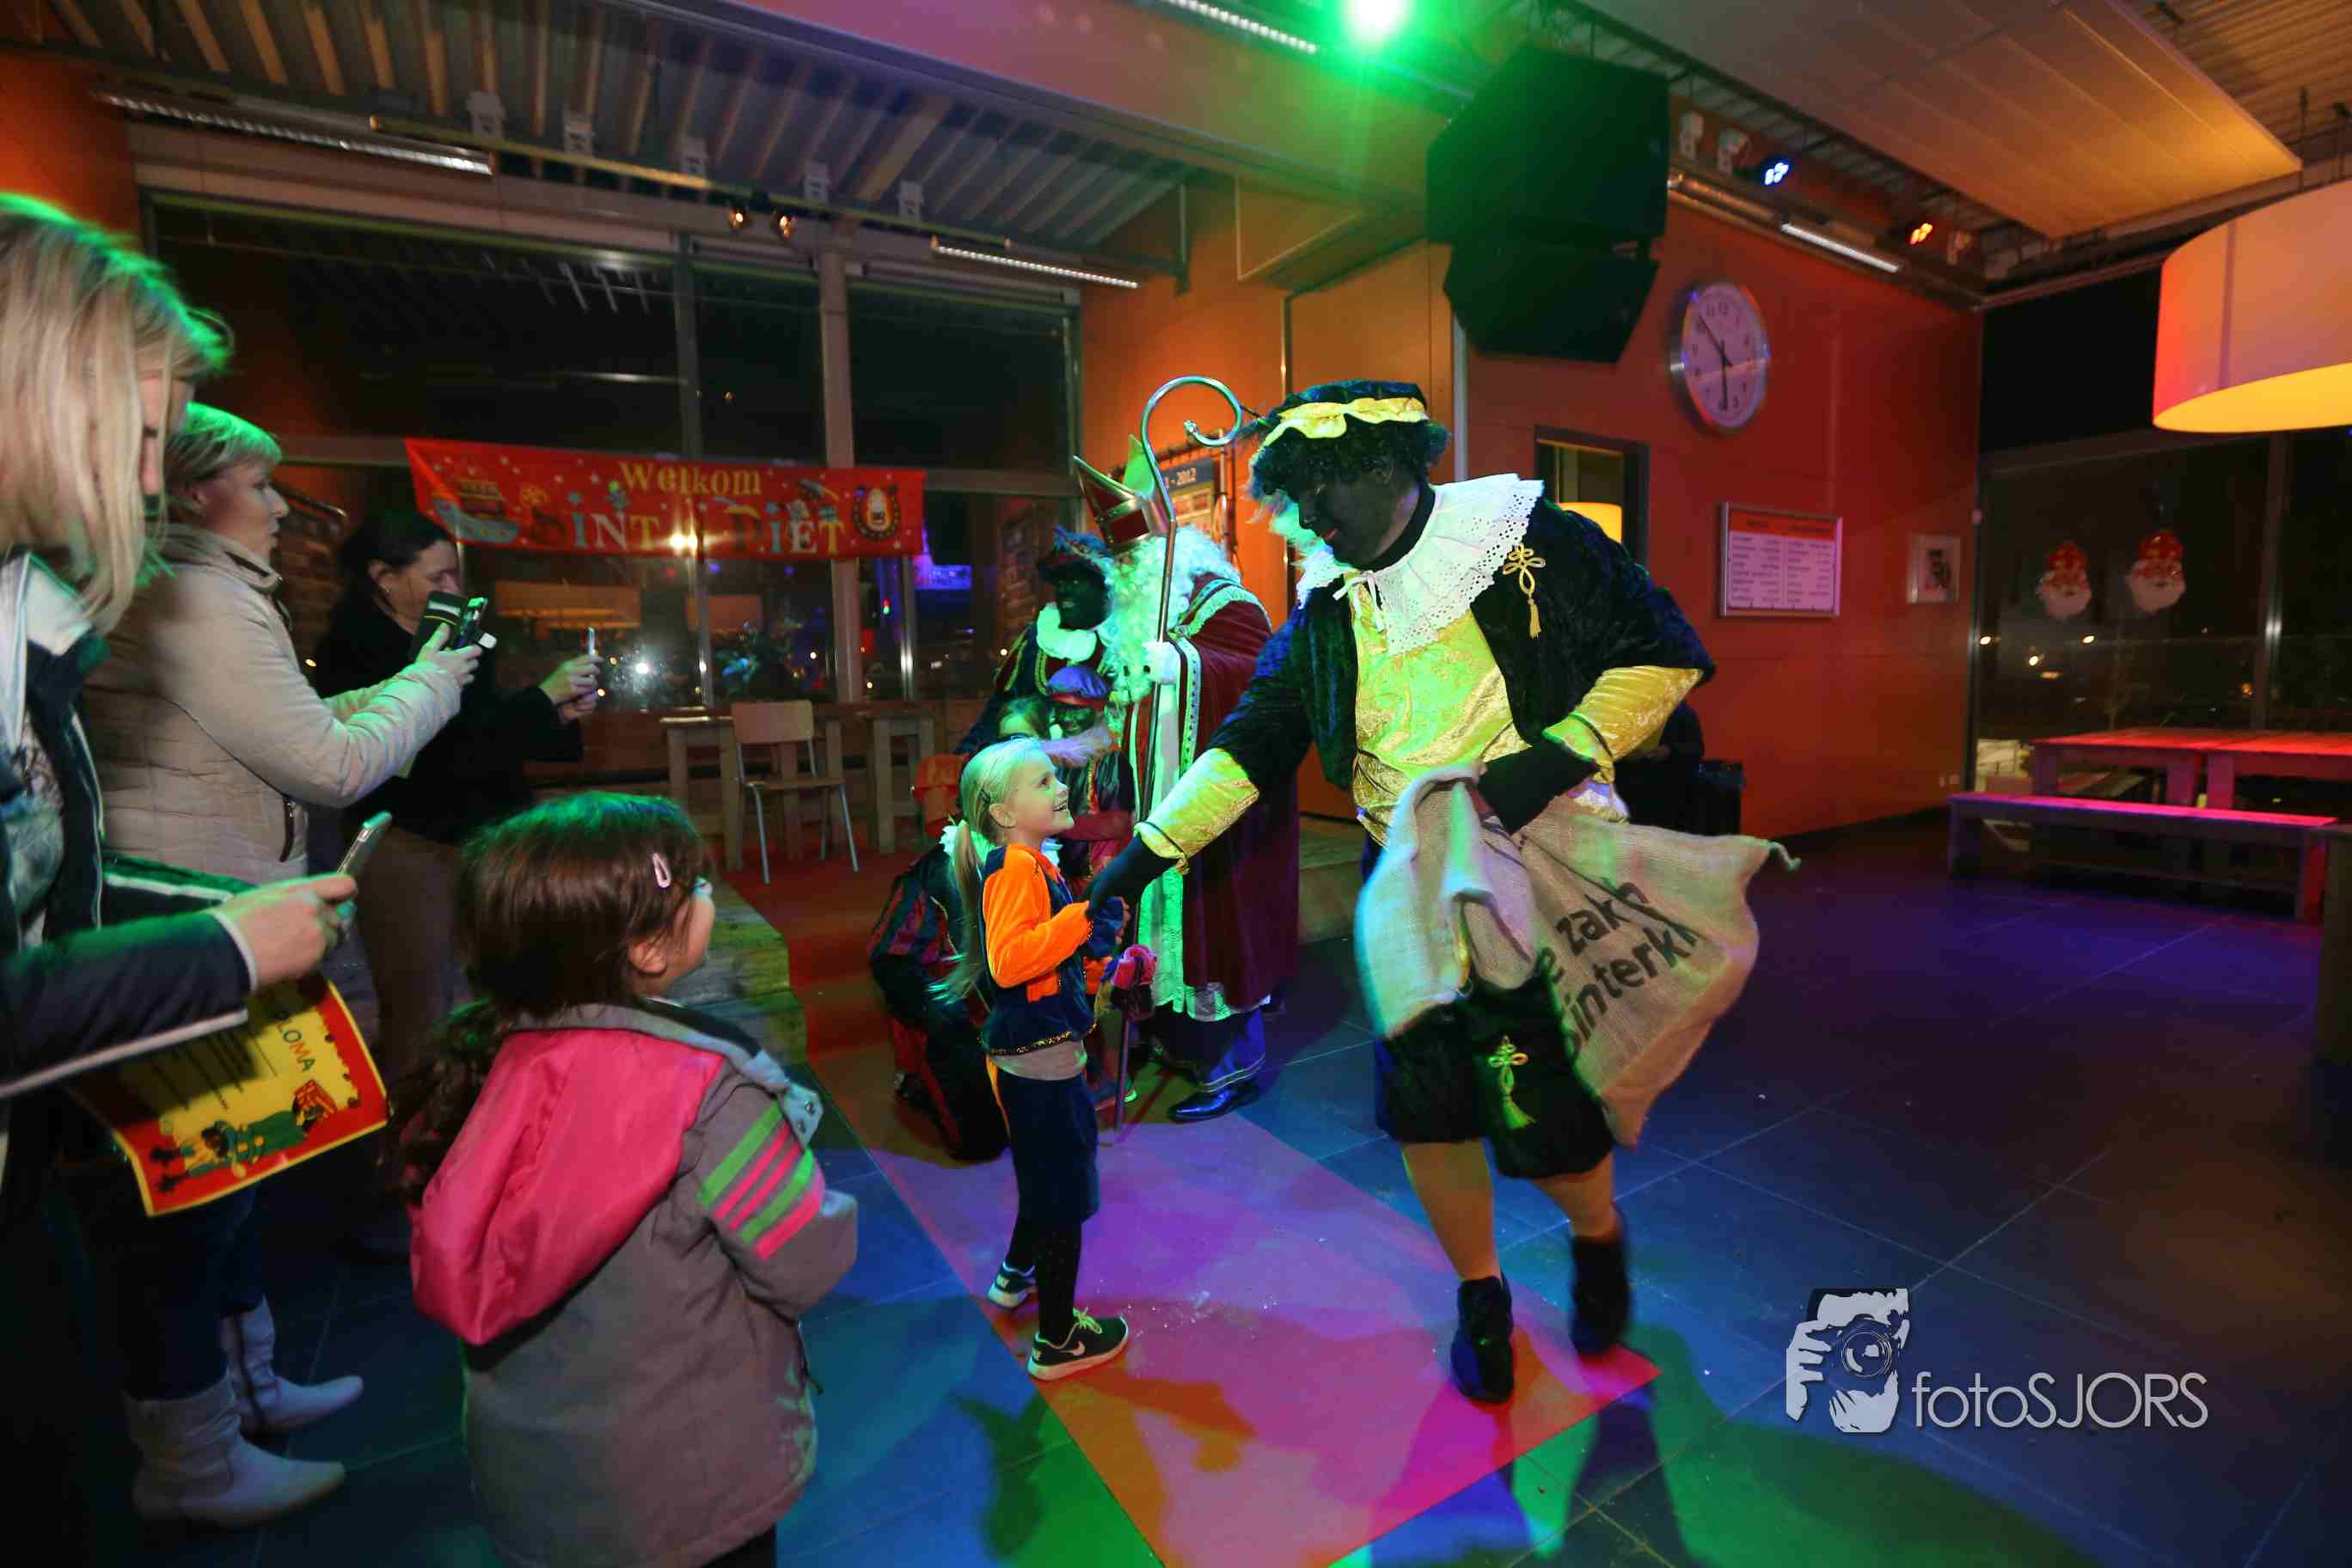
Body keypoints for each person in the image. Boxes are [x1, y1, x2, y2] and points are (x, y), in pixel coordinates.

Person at [1091, 380, 1714, 1401]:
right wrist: (1141, 858)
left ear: (1387, 469)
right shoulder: (1326, 615)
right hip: (1407, 892)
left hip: (1532, 873)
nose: (1308, 516)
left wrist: (1556, 756)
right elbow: (1248, 753)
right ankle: (1480, 1292)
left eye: (1320, 488)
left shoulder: (1527, 540)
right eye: (1294, 495)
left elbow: (1663, 654)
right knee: (1430, 1112)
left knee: (1548, 1114)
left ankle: (1597, 1233)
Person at [0, 195, 360, 1538]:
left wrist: (219, 920)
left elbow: (44, 896)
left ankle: (220, 1413)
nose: (149, 482)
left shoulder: (32, 618)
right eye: (142, 438)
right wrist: (218, 948)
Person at [401, 793, 857, 1568]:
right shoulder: (709, 1088)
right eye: (698, 884)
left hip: (539, 1488)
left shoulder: (467, 1069)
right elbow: (802, 1260)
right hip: (694, 1485)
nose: (710, 894)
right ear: (648, 947)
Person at [310, 512, 598, 1179]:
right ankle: (402, 1168)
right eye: (436, 575)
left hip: (484, 839)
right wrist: (540, 700)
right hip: (409, 843)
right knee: (418, 1009)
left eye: (455, 573)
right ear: (384, 578)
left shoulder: (460, 630)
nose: (453, 586)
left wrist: (556, 714)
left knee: (502, 992)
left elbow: (489, 735)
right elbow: (432, 758)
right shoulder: (354, 651)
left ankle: (488, 1144)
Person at [86, 405, 480, 884]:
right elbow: (334, 769)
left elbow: (287, 727)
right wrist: (433, 682)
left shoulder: (188, 587)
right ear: (195, 493)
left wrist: (407, 683)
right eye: (260, 486)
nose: (280, 506)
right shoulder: (201, 599)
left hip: (202, 877)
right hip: (208, 886)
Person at [938, 739, 1132, 1379]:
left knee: (1043, 1174)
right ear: (1002, 812)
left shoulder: (1031, 865)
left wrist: (1099, 952)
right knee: (1062, 1195)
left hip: (1039, 1056)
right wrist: (1081, 918)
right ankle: (1056, 1340)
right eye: (1044, 781)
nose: (1062, 788)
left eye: (1056, 777)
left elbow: (1051, 967)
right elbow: (1010, 962)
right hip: (1041, 1064)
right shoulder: (1016, 869)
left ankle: (1013, 1276)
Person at [1614, 702, 1706, 832]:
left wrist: (1670, 751)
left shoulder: (1681, 711)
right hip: (1629, 790)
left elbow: (1696, 750)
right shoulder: (1623, 708)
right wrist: (1624, 754)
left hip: (1668, 793)